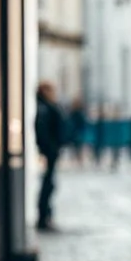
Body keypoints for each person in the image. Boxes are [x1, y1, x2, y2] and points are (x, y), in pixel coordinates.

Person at [35, 80, 65, 230]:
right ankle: (43, 217)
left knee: (49, 184)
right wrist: (49, 149)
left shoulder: (46, 107)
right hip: (48, 152)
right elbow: (43, 132)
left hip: (51, 151)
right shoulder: (45, 108)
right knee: (48, 185)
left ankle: (46, 215)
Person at [68, 98, 88, 162]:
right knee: (75, 147)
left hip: (78, 132)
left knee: (78, 147)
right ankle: (77, 159)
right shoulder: (73, 113)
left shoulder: (79, 113)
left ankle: (79, 159)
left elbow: (83, 124)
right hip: (74, 132)